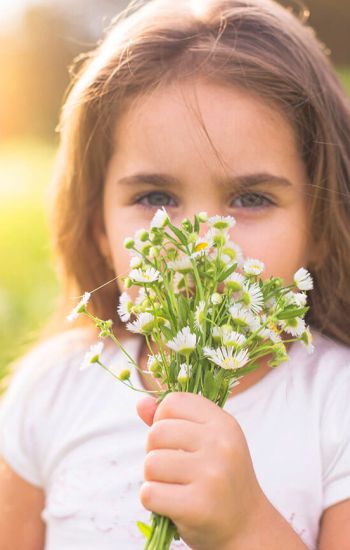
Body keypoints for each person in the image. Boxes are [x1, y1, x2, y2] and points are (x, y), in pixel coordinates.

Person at [1, 0, 350, 548]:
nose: (198, 241)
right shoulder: (52, 392)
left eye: (251, 197)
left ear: (321, 228)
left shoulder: (337, 405)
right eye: (156, 197)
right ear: (98, 225)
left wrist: (245, 527)